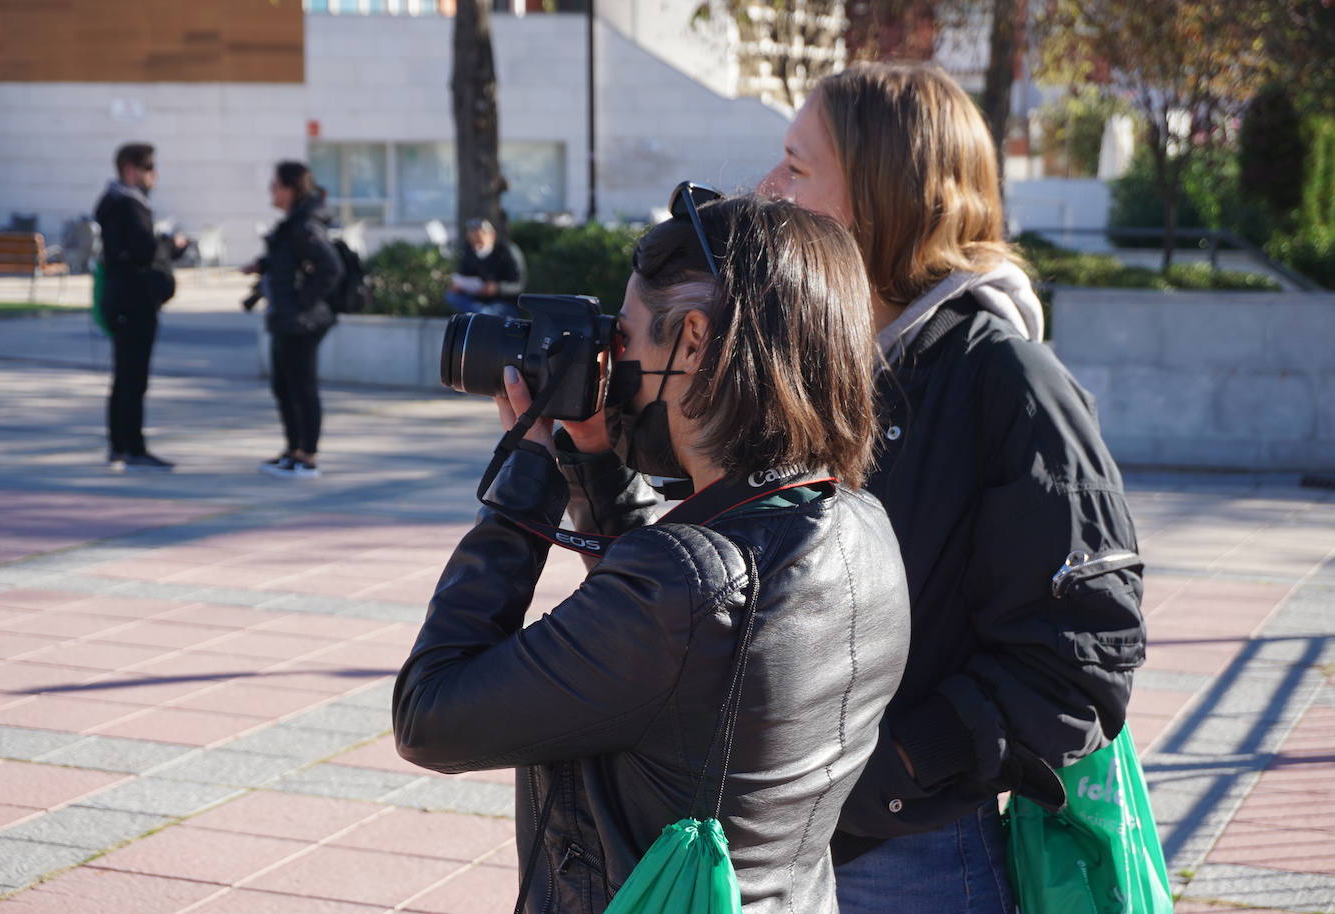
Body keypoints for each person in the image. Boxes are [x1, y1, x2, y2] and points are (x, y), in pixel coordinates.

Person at [393, 191, 911, 913]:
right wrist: (596, 457)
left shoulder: (683, 591)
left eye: (626, 340)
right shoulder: (860, 527)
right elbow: (676, 658)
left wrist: (527, 477)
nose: (616, 363)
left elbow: (430, 717)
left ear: (694, 340)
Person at [756, 62, 1147, 912]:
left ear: (877, 194)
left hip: (907, 861)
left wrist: (892, 772)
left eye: (796, 165)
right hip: (779, 843)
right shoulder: (817, 363)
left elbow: (1083, 653)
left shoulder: (1005, 381)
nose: (768, 189)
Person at [243, 161, 343, 479]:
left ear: (289, 189)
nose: (271, 191)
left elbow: (331, 268)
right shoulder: (293, 223)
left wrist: (301, 302)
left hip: (302, 321)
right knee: (283, 386)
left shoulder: (305, 225)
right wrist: (262, 266)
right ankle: (293, 450)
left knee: (302, 387)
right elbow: (289, 259)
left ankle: (308, 457)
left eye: (275, 185)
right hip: (286, 318)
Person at [95, 142, 186, 471]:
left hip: (122, 299)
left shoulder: (115, 202)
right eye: (149, 169)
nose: (154, 176)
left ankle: (120, 445)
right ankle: (132, 447)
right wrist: (170, 244)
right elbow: (144, 251)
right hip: (134, 301)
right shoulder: (129, 206)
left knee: (124, 376)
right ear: (132, 170)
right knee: (133, 377)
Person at [444, 217, 526, 317]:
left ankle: (476, 316)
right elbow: (465, 277)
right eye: (473, 241)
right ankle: (476, 315)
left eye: (480, 240)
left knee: (483, 312)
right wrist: (458, 286)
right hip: (477, 300)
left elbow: (519, 285)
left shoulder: (507, 251)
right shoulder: (468, 251)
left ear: (492, 235)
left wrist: (497, 288)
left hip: (504, 302)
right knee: (452, 296)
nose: (476, 246)